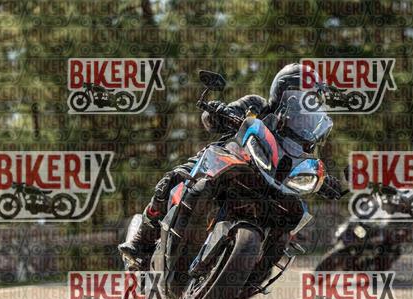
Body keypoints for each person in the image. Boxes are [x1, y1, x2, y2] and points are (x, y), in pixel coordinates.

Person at [120, 63, 345, 269]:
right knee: (174, 179)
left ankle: (251, 274)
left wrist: (324, 180)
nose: (305, 103)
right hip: (229, 159)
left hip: (271, 183)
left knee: (290, 223)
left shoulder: (306, 137)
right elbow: (211, 120)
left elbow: (306, 161)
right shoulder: (257, 105)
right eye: (301, 96)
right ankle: (142, 238)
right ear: (282, 91)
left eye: (312, 100)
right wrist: (218, 112)